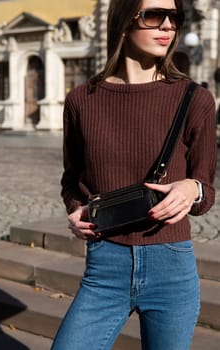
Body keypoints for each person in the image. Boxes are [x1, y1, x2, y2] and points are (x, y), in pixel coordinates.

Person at [51, 0, 217, 349]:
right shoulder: (82, 100)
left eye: (174, 17)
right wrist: (74, 209)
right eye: (155, 15)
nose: (168, 26)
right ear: (125, 22)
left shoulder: (195, 99)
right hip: (104, 266)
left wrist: (191, 188)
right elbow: (72, 179)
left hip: (171, 266)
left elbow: (206, 191)